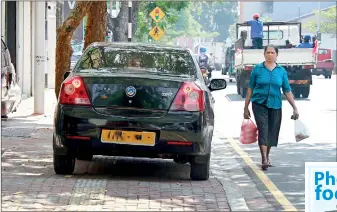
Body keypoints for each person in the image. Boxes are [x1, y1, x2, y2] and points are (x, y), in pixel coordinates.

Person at [243, 44, 299, 171]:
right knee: (263, 129)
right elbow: (250, 89)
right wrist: (246, 108)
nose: (270, 55)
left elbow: (287, 90)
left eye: (272, 53)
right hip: (259, 104)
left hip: (275, 104)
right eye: (267, 52)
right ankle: (263, 158)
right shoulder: (257, 69)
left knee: (272, 131)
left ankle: (267, 156)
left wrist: (294, 107)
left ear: (276, 55)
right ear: (264, 54)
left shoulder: (281, 71)